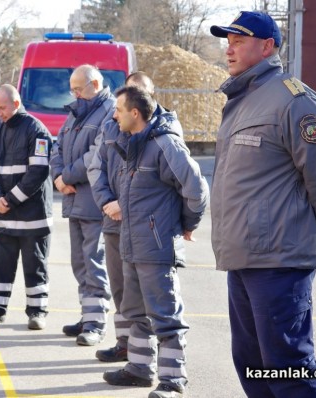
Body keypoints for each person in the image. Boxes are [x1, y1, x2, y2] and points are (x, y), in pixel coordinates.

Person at [209, 11, 316, 398]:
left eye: (238, 41)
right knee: (251, 363)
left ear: (267, 46)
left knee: (288, 367)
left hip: (279, 261)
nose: (229, 49)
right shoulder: (243, 99)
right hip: (243, 258)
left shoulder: (292, 99)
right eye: (227, 41)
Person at [101, 86, 208, 398]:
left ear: (135, 113)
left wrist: (186, 225)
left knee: (165, 316)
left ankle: (174, 381)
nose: (114, 114)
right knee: (135, 311)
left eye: (119, 109)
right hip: (132, 245)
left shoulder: (164, 145)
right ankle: (138, 369)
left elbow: (197, 190)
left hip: (156, 247)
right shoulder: (131, 144)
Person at [88, 71, 177, 363]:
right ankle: (126, 345)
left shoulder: (165, 132)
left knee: (152, 299)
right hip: (113, 222)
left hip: (149, 230)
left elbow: (180, 185)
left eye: (140, 92)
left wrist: (126, 207)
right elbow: (96, 167)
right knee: (121, 290)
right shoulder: (112, 125)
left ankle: (146, 357)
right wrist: (108, 202)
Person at [0, 84, 53, 330]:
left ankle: (37, 312)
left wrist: (10, 199)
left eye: (2, 108)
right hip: (4, 214)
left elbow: (37, 172)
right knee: (0, 265)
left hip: (32, 215)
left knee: (34, 265)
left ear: (16, 104)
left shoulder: (36, 129)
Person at [50, 64, 115, 346]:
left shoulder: (110, 111)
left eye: (79, 89)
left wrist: (66, 175)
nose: (75, 94)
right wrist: (57, 176)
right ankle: (86, 314)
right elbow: (58, 146)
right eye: (73, 89)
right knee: (80, 262)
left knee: (94, 262)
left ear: (96, 85)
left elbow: (96, 154)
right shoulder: (78, 111)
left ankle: (96, 322)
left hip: (94, 201)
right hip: (75, 199)